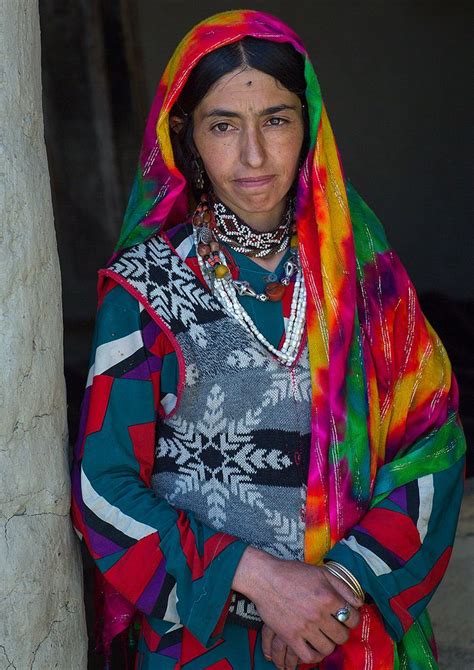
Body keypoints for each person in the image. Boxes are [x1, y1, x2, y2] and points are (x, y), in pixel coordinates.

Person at [71, 10, 466, 670]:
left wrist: (337, 588)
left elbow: (434, 444)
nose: (252, 154)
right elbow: (104, 490)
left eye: (276, 119)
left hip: (351, 635)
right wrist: (262, 582)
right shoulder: (145, 292)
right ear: (186, 139)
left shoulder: (370, 285)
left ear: (309, 126)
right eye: (223, 125)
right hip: (201, 645)